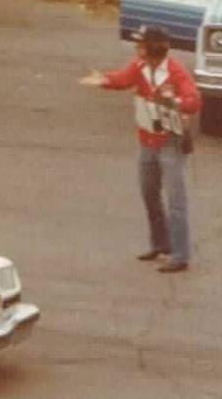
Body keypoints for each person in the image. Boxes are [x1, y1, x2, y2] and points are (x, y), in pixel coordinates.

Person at [80, 27, 200, 273]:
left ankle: (180, 254)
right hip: (148, 139)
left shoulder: (175, 72)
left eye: (142, 45)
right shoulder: (140, 67)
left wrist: (173, 102)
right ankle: (160, 243)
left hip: (171, 141)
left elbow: (194, 101)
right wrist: (104, 80)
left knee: (175, 200)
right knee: (149, 193)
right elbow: (123, 79)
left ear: (154, 49)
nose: (138, 49)